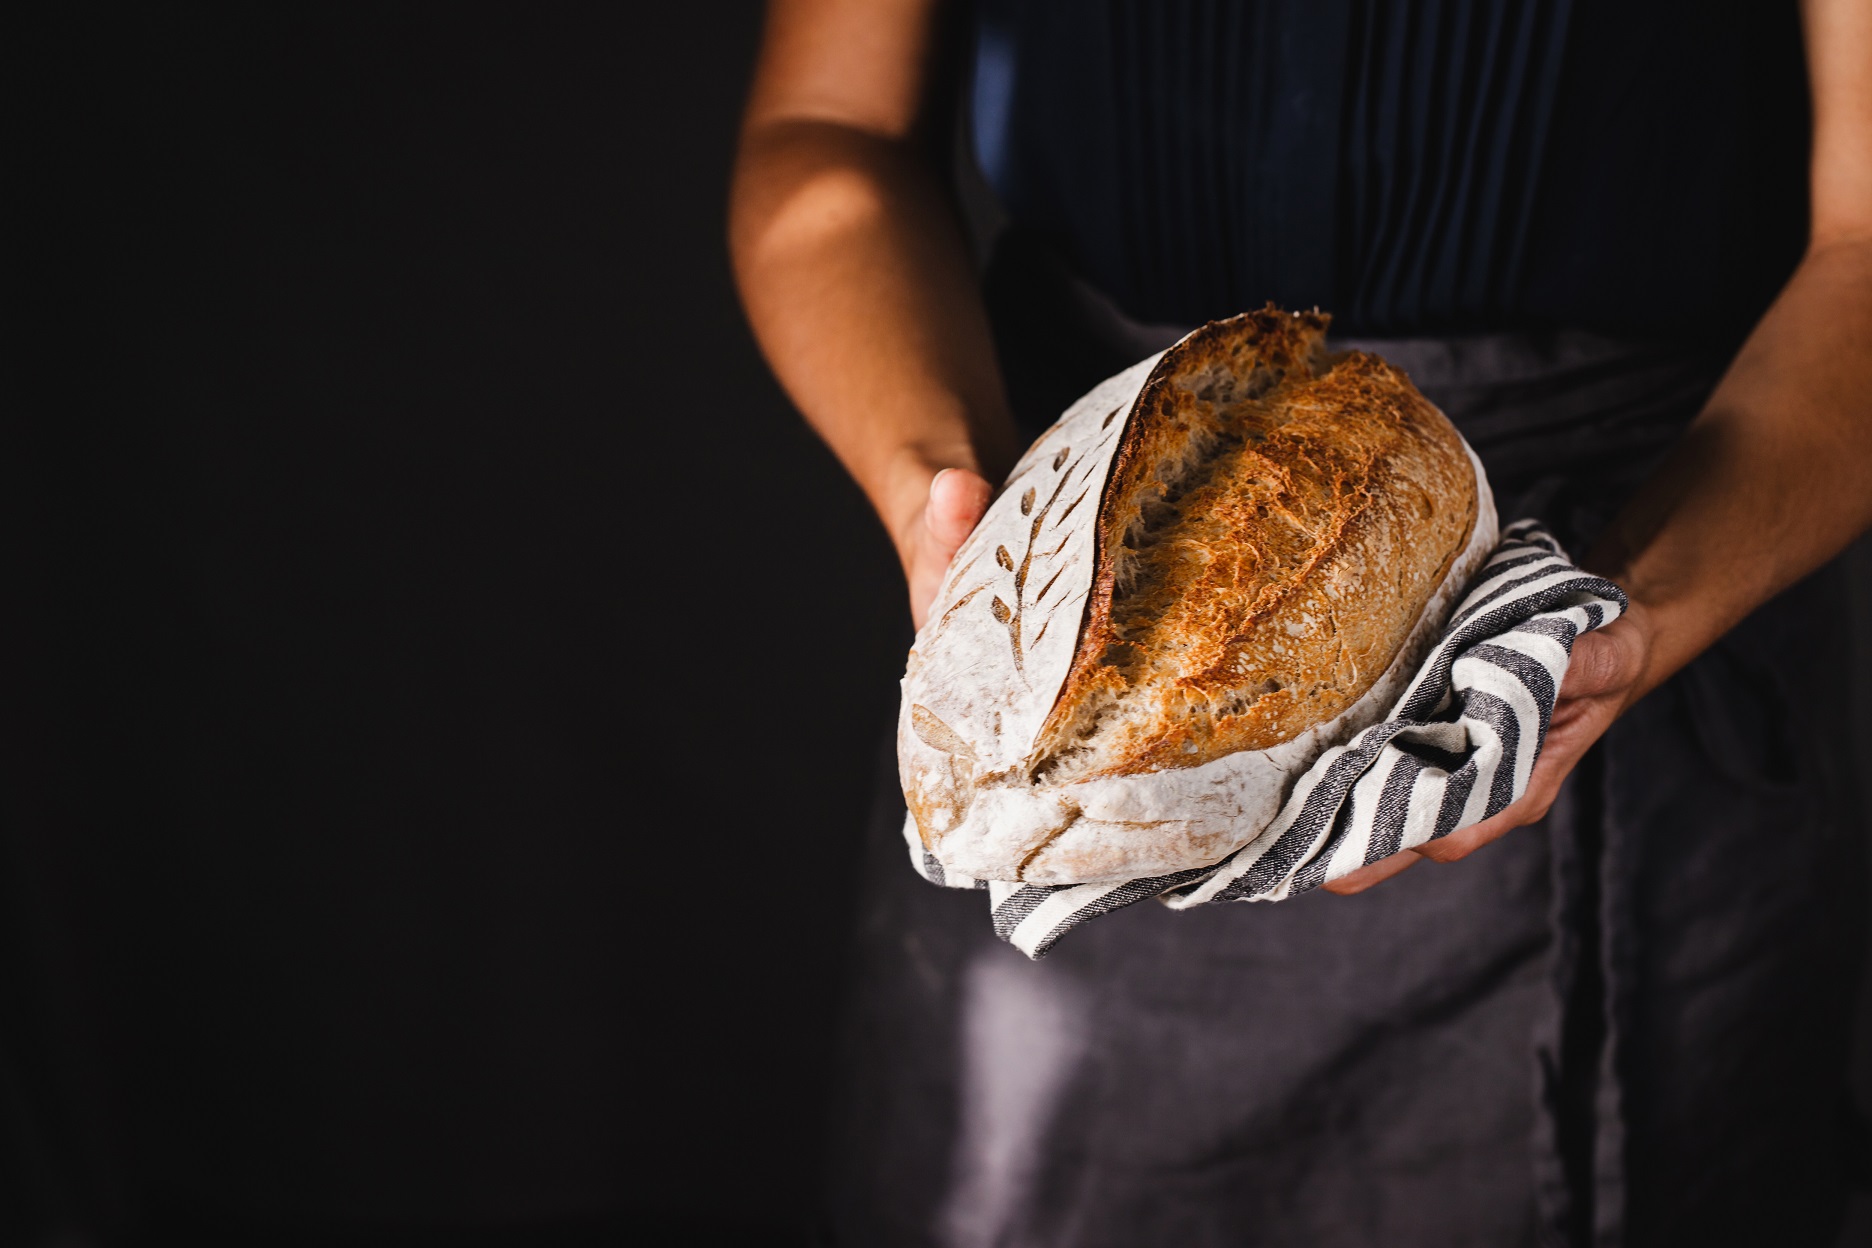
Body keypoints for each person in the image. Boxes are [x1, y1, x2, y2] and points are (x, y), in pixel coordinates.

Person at [730, 1, 1872, 1243]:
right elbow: (829, 130)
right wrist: (948, 498)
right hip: (1055, 613)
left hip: (1674, 568)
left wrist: (1626, 611)